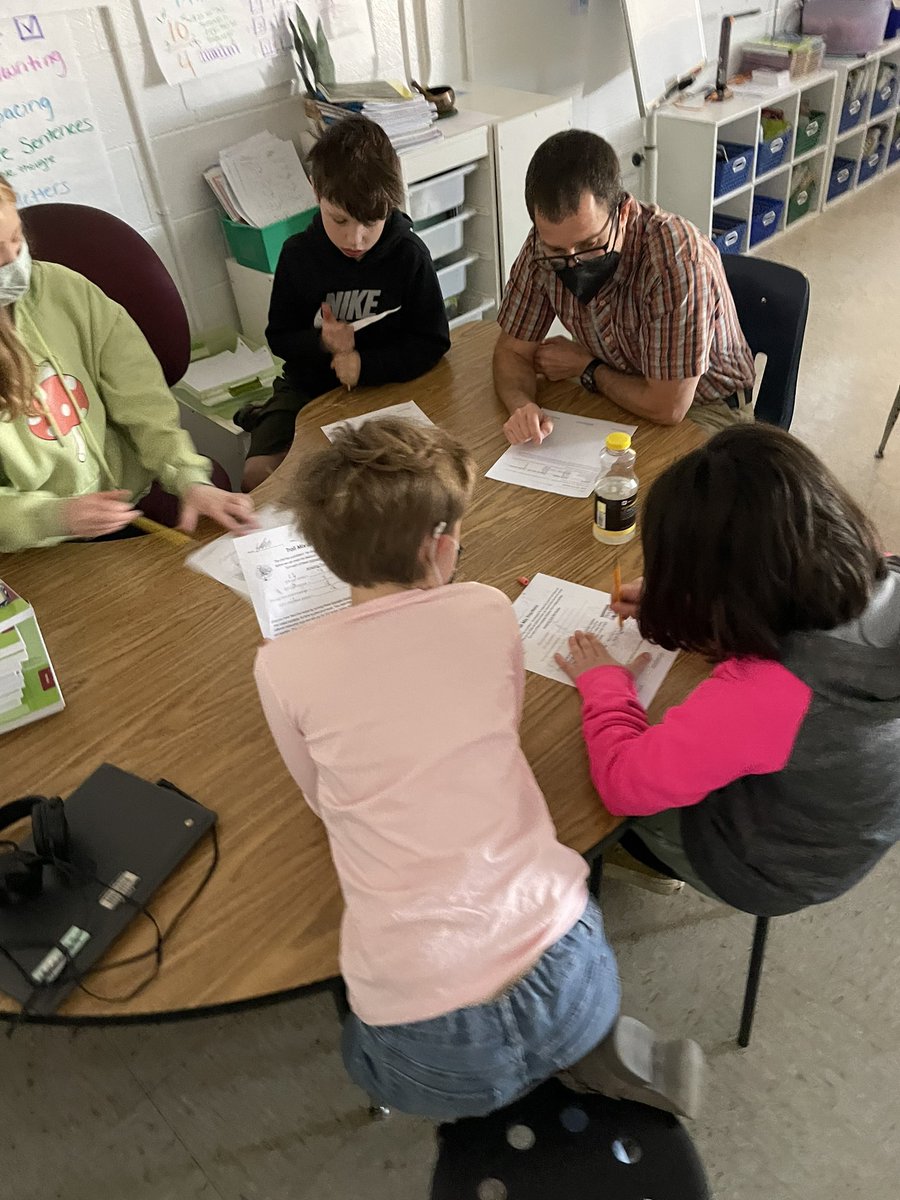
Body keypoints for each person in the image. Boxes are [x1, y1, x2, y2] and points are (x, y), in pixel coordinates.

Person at [254, 417, 704, 1122]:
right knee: (551, 1002)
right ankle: (587, 1054)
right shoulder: (488, 608)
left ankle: (500, 1086)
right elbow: (502, 724)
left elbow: (319, 800)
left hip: (429, 1043)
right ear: (440, 549)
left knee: (360, 1049)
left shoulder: (280, 664)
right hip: (573, 963)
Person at [556, 424, 900, 917]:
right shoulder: (882, 572)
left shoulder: (770, 693)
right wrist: (680, 602)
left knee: (582, 798)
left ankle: (632, 861)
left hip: (770, 868)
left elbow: (623, 782)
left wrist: (607, 685)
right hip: (845, 829)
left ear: (726, 593)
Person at [0, 179, 255, 552]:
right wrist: (55, 516)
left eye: (17, 238)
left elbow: (142, 398)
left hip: (134, 501)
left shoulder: (63, 290)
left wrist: (188, 477)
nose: (14, 260)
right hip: (40, 546)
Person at [494, 129, 756, 446]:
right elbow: (512, 352)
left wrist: (587, 367)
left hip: (704, 408)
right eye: (557, 252)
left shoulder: (676, 263)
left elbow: (668, 407)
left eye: (590, 245)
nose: (574, 262)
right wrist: (522, 405)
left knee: (629, 490)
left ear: (624, 214)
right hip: (618, 385)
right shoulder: (543, 247)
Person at [237, 117, 451, 491]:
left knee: (396, 482)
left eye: (372, 221)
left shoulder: (409, 256)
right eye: (340, 220)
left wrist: (363, 366)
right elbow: (280, 337)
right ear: (315, 189)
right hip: (307, 388)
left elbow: (432, 341)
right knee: (258, 477)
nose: (356, 238)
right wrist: (323, 343)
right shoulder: (298, 256)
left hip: (387, 387)